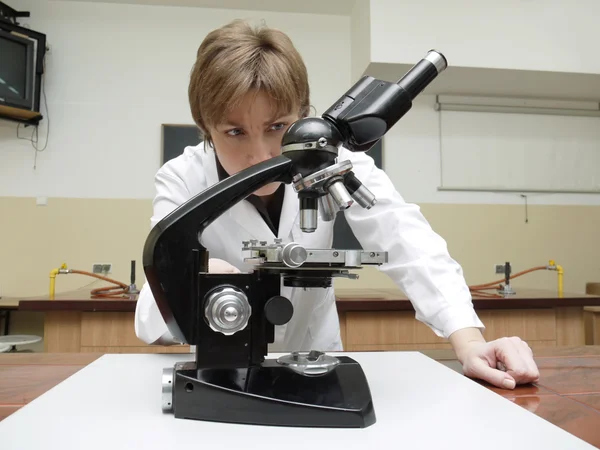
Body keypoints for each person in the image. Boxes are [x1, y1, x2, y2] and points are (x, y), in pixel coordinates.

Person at [135, 19, 539, 390]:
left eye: (277, 127)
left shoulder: (333, 163)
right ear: (206, 128)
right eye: (235, 131)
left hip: (316, 359)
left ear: (304, 115)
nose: (260, 154)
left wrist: (468, 340)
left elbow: (406, 240)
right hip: (223, 368)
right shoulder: (183, 178)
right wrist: (201, 278)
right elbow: (157, 299)